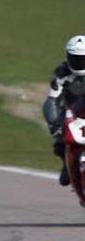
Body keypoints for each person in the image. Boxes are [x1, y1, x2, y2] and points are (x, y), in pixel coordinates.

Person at [43, 35, 85, 187]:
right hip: (70, 111)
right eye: (75, 58)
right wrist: (54, 123)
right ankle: (66, 163)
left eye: (82, 58)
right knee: (60, 141)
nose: (79, 62)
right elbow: (51, 100)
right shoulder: (61, 72)